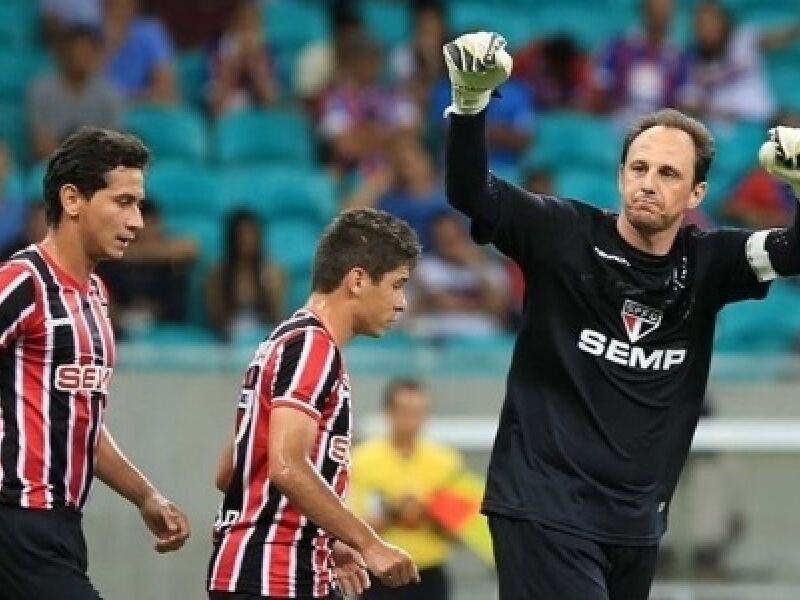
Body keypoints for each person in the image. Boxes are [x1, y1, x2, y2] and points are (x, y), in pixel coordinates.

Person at [441, 31, 800, 599]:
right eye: (639, 168)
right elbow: (471, 192)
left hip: (634, 526)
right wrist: (469, 103)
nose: (648, 184)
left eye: (667, 174)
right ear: (620, 174)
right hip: (544, 505)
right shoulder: (562, 233)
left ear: (697, 193)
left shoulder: (709, 264)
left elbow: (794, 251)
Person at [0, 127, 191, 599]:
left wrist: (145, 495)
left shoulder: (98, 298)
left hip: (61, 525)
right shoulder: (21, 282)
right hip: (15, 516)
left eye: (139, 205)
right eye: (123, 202)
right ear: (72, 199)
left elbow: (79, 416)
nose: (138, 221)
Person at [208, 208, 422, 599]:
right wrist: (367, 542)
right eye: (397, 284)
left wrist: (327, 533)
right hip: (276, 578)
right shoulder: (313, 348)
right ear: (357, 280)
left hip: (254, 571)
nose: (402, 303)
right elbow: (287, 467)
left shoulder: (283, 340)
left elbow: (229, 472)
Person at [349, 378, 462, 600]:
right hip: (379, 573)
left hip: (428, 573)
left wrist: (427, 512)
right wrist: (395, 512)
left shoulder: (446, 462)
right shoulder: (361, 460)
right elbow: (352, 525)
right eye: (405, 411)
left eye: (419, 411)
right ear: (388, 412)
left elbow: (456, 530)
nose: (412, 419)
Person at [26, 23, 123, 160]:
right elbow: (40, 142)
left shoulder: (109, 92)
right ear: (64, 53)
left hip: (95, 166)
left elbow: (113, 142)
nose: (84, 58)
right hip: (52, 165)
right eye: (79, 51)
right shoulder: (42, 89)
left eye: (89, 52)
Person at [206, 209, 284, 342]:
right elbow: (214, 315)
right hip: (227, 335)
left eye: (251, 234)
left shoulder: (272, 271)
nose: (248, 239)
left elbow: (277, 316)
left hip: (264, 333)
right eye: (242, 234)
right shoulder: (219, 273)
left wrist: (268, 290)